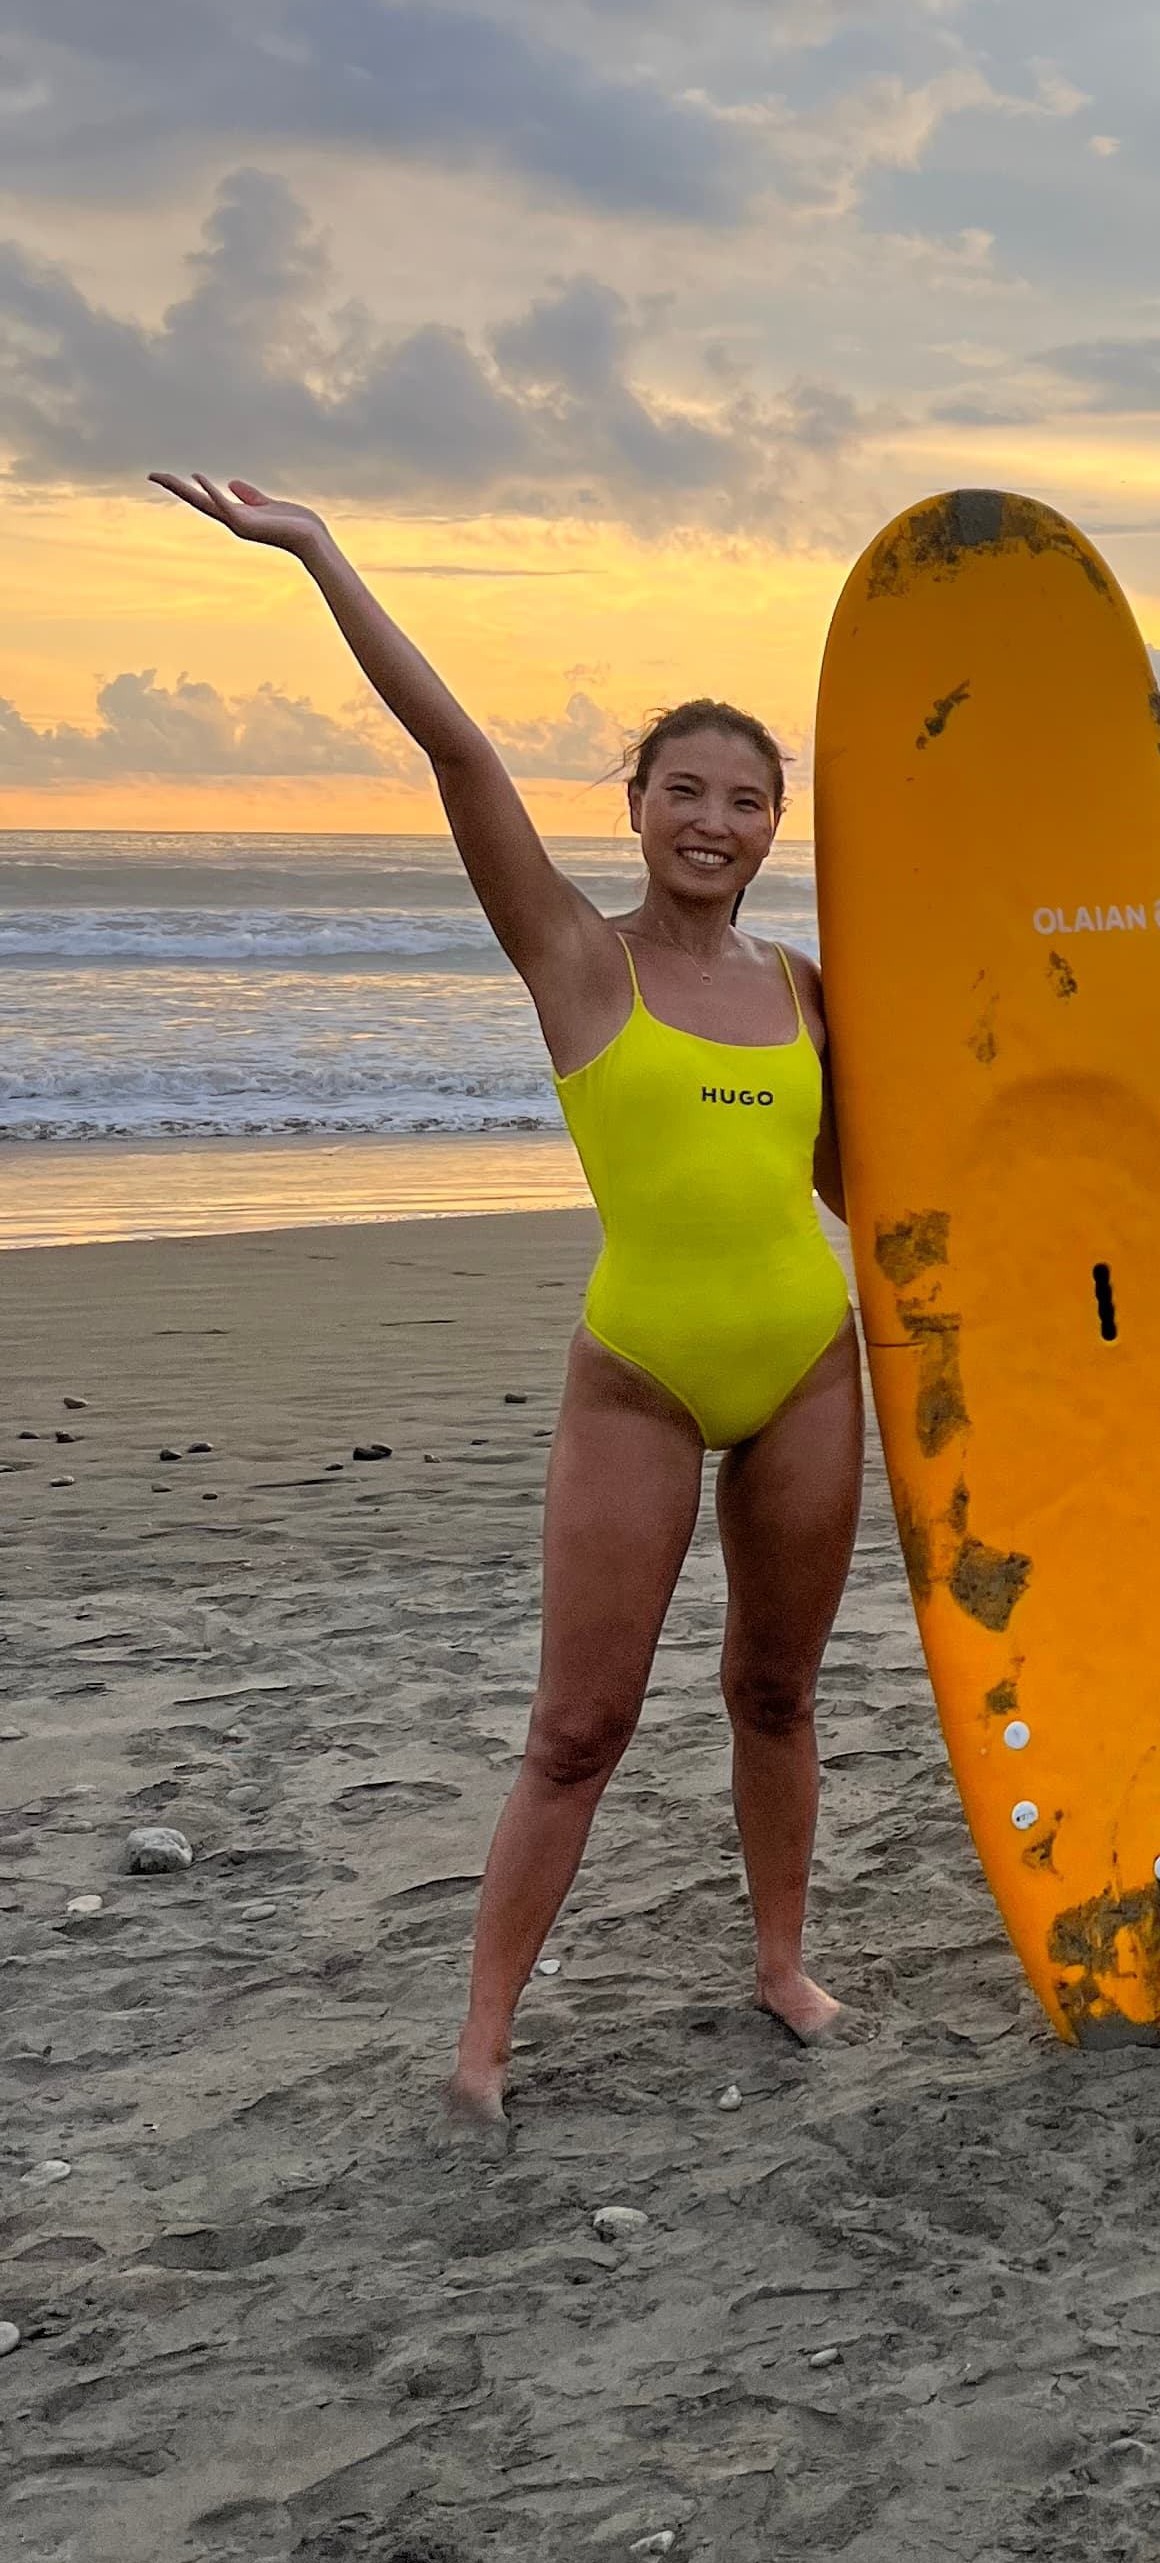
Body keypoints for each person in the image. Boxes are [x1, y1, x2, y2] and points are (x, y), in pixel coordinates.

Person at [150, 473, 861, 2119]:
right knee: (575, 1725)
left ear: (774, 826)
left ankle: (777, 1966)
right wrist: (322, 551)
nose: (714, 821)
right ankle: (481, 2035)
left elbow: (856, 1193)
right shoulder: (577, 959)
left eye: (746, 800)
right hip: (640, 1375)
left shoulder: (807, 990)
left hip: (808, 1369)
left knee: (776, 1688)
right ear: (636, 807)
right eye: (684, 789)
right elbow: (460, 754)